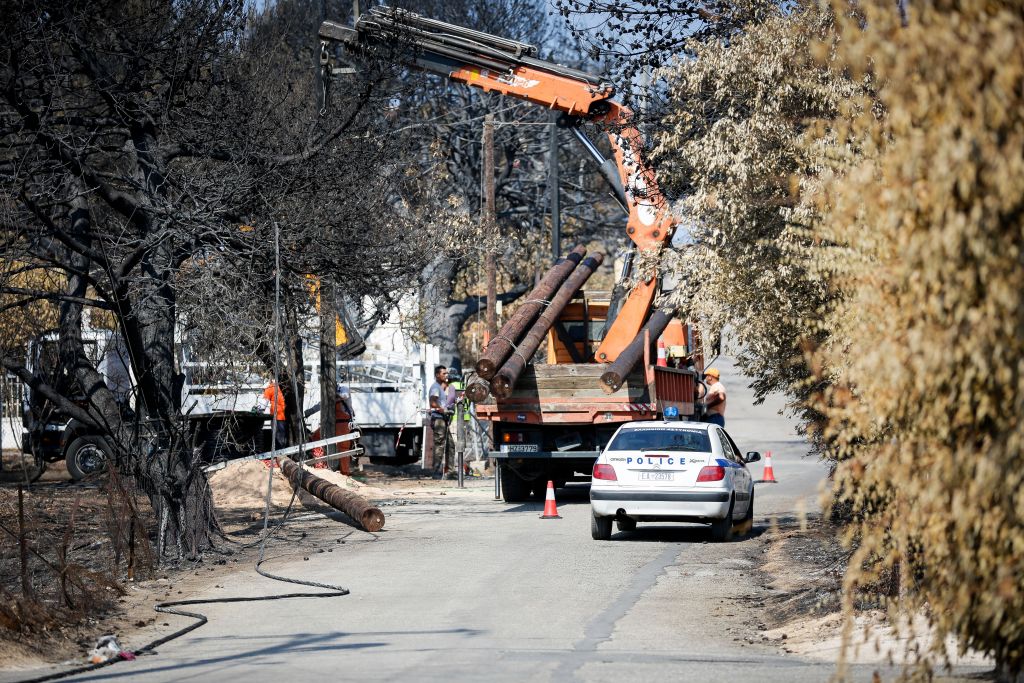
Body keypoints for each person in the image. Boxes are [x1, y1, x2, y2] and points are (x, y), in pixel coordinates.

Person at [428, 365, 457, 477]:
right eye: (443, 373)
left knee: (450, 445)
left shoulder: (443, 387)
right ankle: (436, 471)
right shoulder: (435, 387)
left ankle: (450, 471)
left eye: (446, 373)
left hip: (444, 418)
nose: (446, 375)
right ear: (437, 375)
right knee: (439, 445)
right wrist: (442, 410)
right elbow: (433, 403)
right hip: (439, 419)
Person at [263, 380, 288, 449]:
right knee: (282, 438)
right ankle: (282, 454)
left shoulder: (271, 387)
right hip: (285, 417)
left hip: (276, 417)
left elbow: (263, 404)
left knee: (277, 439)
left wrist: (260, 411)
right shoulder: (285, 386)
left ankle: (279, 455)